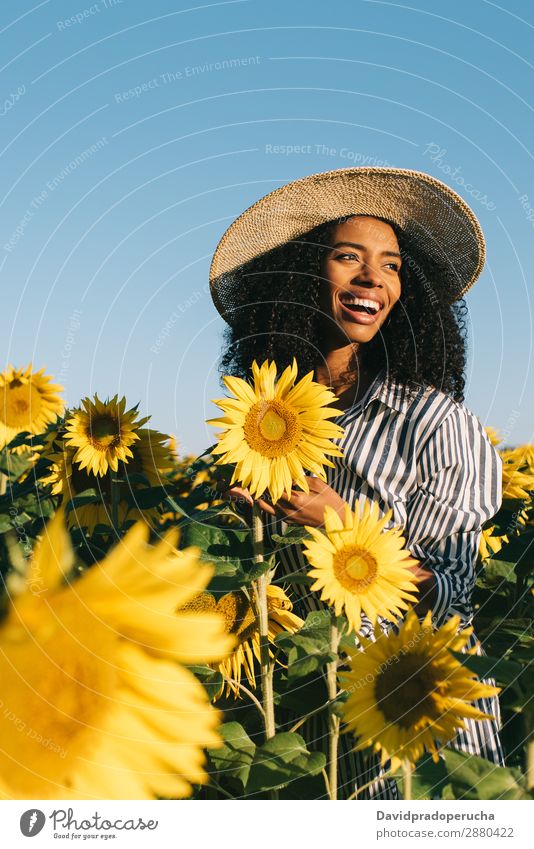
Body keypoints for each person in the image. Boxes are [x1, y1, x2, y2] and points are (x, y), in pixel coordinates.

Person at [208, 166, 504, 799]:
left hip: (416, 726)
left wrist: (343, 529)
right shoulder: (255, 421)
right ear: (299, 274)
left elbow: (450, 597)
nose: (374, 277)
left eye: (393, 265)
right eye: (349, 258)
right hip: (306, 718)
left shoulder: (436, 425)